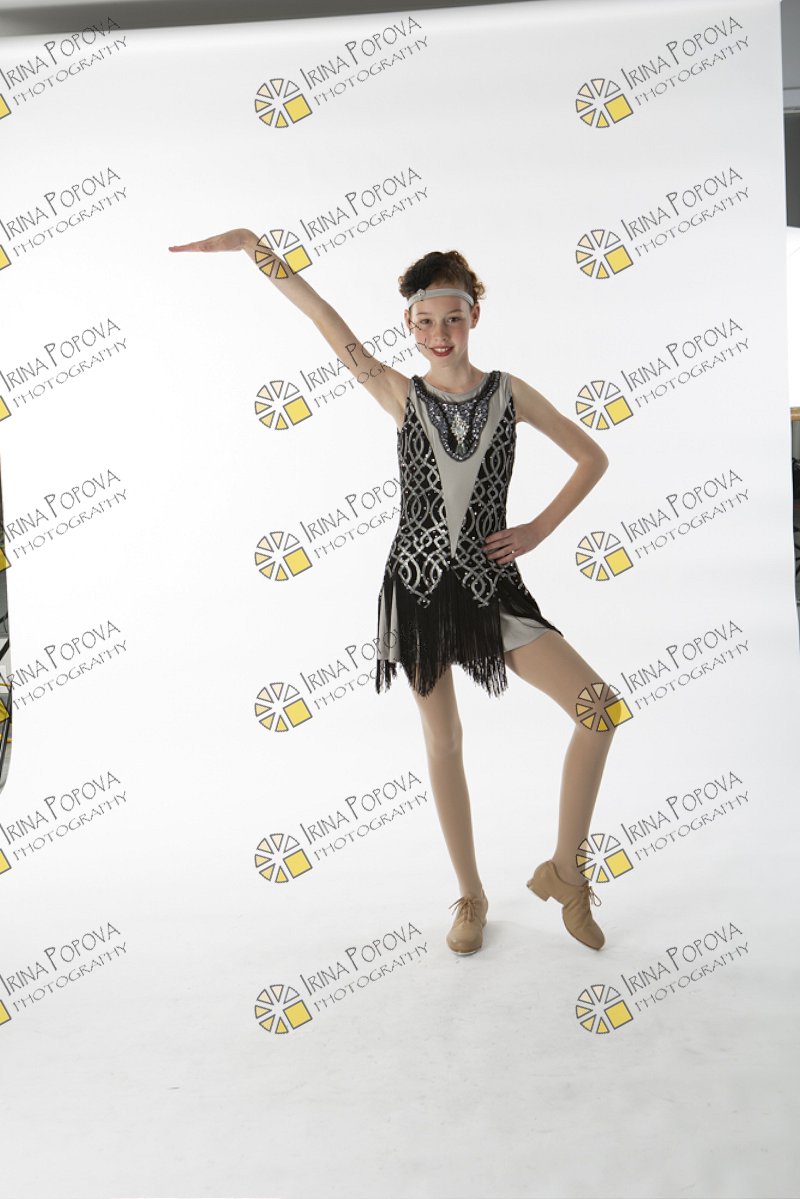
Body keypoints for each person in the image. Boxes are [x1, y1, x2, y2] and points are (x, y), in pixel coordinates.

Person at [169, 230, 618, 956]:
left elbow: (592, 456)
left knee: (598, 708)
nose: (441, 334)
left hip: (495, 589)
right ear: (409, 325)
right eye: (426, 321)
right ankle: (470, 895)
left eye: (453, 318)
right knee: (444, 740)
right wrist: (256, 249)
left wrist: (536, 530)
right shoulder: (397, 392)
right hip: (418, 588)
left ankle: (566, 871)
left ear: (474, 317)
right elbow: (324, 319)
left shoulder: (510, 393)